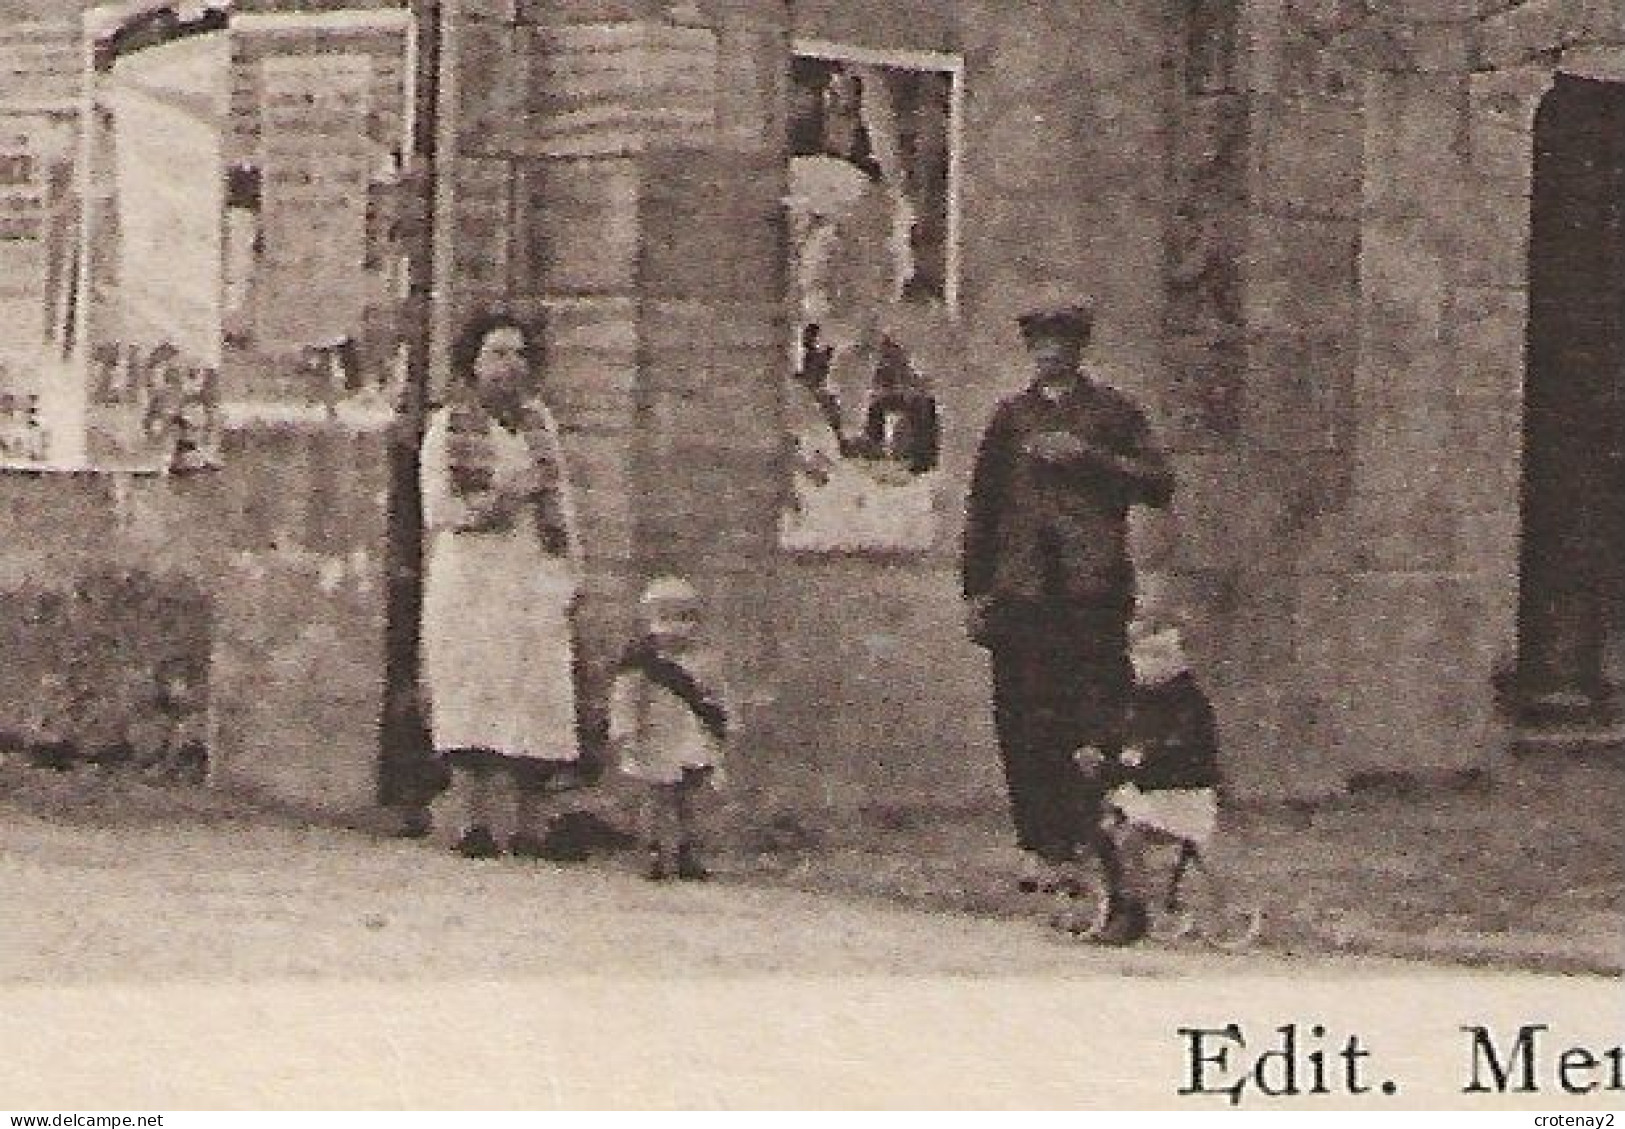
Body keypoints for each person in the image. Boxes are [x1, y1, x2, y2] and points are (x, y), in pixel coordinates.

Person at [961, 301, 1174, 944]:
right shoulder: (1012, 417)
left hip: (1091, 594)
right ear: (1031, 350)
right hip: (1022, 594)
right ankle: (1042, 848)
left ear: (1081, 348)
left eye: (1063, 342)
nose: (1051, 352)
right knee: (1023, 720)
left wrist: (1090, 457)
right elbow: (984, 505)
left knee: (1093, 722)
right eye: (1041, 343)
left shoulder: (1111, 414)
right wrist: (976, 591)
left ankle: (1097, 847)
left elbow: (1160, 482)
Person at [419, 312, 585, 861]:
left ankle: (526, 824)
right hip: (471, 574)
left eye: (518, 354)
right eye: (496, 354)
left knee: (531, 689)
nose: (509, 366)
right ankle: (471, 821)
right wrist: (504, 496)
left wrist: (570, 571)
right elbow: (439, 509)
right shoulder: (450, 425)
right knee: (473, 685)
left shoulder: (540, 424)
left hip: (529, 570)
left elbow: (560, 500)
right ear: (473, 363)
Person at [1076, 577, 1221, 941]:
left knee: (1127, 837)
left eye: (1155, 655)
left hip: (1182, 798)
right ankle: (1117, 902)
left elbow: (1173, 757)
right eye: (1137, 655)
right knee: (1101, 829)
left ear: (1176, 659)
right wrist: (1099, 750)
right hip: (1149, 792)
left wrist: (1128, 764)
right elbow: (1121, 736)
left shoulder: (1188, 705)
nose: (1142, 664)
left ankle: (1133, 914)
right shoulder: (1141, 700)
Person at [608, 577, 730, 881]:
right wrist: (626, 732)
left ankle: (687, 852)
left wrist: (720, 725)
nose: (675, 628)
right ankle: (654, 853)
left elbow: (715, 696)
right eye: (666, 617)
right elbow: (625, 699)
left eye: (684, 617)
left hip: (690, 738)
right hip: (655, 737)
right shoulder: (640, 662)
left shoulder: (704, 660)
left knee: (687, 799)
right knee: (657, 798)